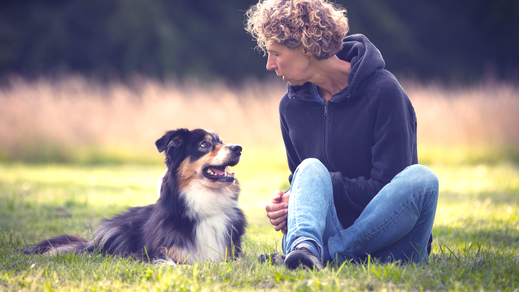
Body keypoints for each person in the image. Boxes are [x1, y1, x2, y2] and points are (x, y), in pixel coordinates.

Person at [244, 0, 439, 270]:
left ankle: (325, 256)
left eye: (275, 53)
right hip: (326, 231)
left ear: (307, 47)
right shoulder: (290, 107)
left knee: (423, 180)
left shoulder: (384, 91)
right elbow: (302, 179)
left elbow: (387, 189)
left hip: (392, 244)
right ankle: (305, 249)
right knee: (309, 168)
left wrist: (325, 185)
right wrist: (290, 202)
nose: (269, 65)